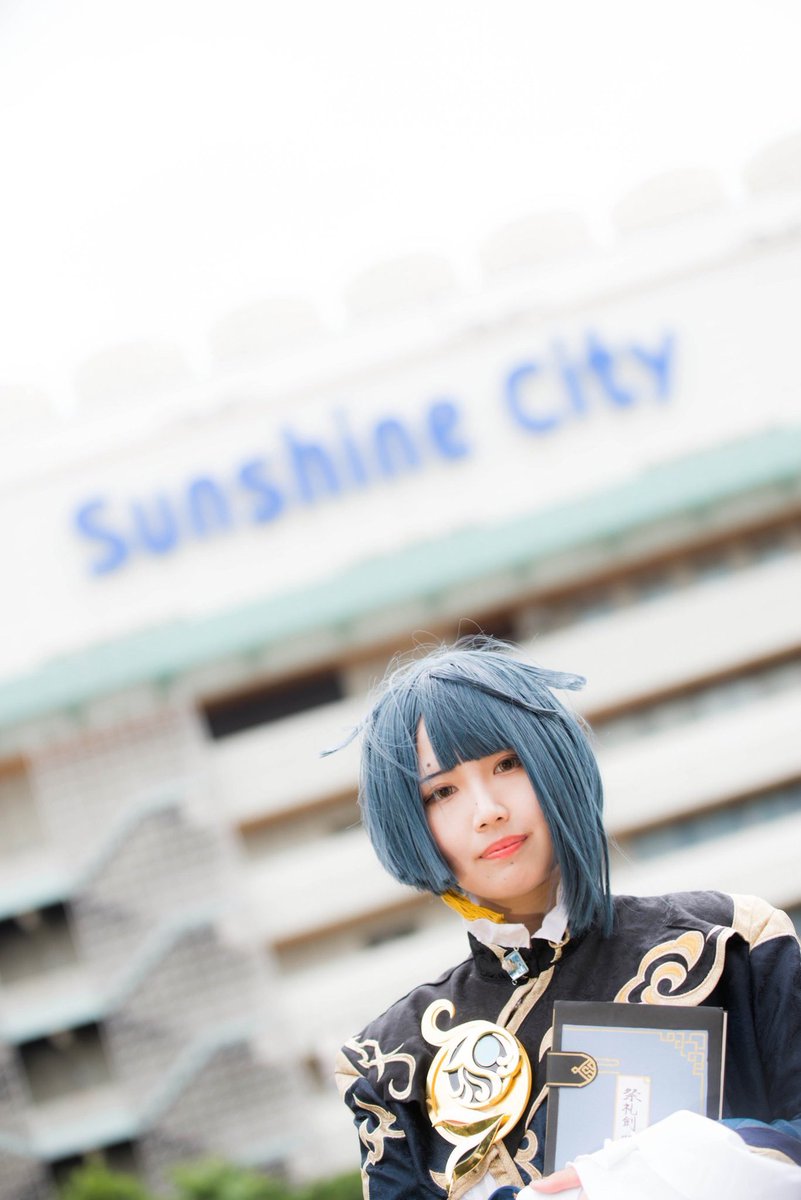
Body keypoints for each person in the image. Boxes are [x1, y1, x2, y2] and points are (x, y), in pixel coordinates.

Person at [330, 638, 801, 1199]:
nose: (488, 811)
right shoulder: (389, 1059)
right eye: (442, 792)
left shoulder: (733, 939)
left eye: (507, 763)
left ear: (556, 761)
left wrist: (644, 1173)